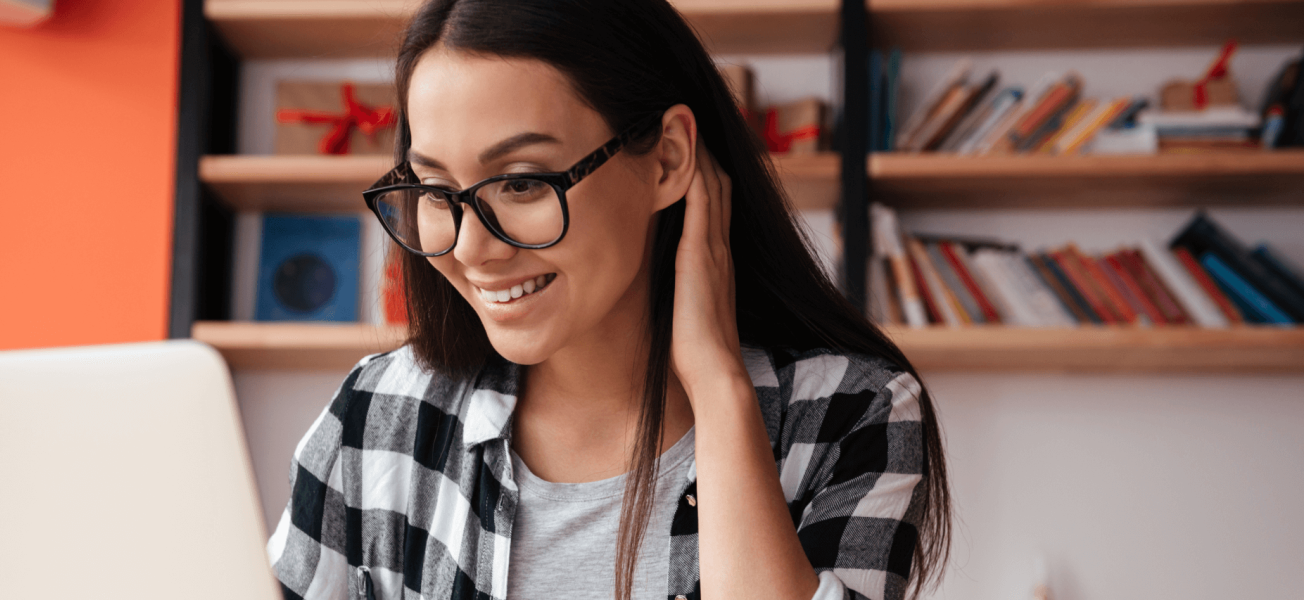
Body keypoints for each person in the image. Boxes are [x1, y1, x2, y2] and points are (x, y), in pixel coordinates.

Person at [265, 1, 951, 599]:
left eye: (523, 183)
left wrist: (717, 389)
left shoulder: (849, 414)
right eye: (435, 189)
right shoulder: (379, 413)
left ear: (667, 159)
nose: (472, 248)